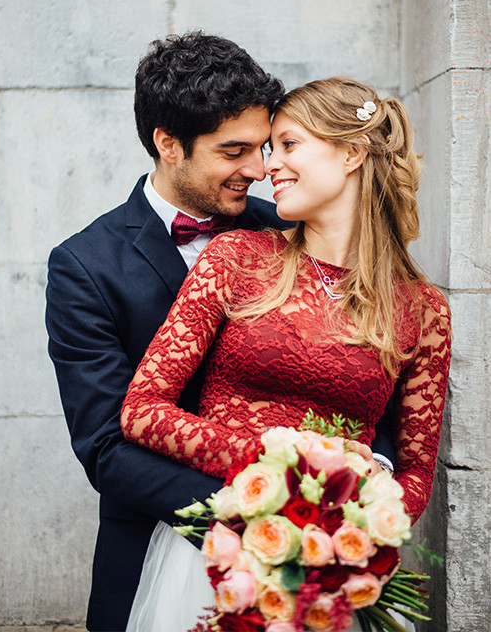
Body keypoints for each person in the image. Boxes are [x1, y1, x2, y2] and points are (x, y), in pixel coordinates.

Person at [46, 35, 394, 631]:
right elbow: (105, 448)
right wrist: (264, 513)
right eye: (235, 151)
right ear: (168, 143)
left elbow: (368, 362)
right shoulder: (85, 265)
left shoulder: (287, 226)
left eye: (264, 147)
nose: (259, 171)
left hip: (315, 557)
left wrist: (364, 482)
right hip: (159, 543)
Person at [120, 76, 451, 632]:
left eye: (288, 144)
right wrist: (291, 474)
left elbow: (417, 470)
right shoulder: (237, 257)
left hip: (331, 567)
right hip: (219, 549)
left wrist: (356, 522)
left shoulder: (422, 309)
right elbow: (142, 410)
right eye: (267, 149)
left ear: (351, 152)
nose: (268, 166)